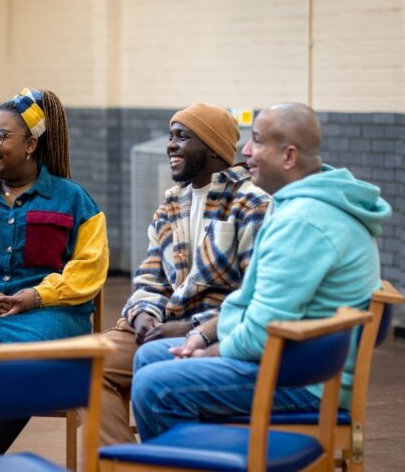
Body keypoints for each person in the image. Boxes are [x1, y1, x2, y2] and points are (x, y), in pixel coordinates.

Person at [131, 103, 391, 441]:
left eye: (257, 140)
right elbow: (251, 300)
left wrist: (207, 354)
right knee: (150, 355)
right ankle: (195, 453)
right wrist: (203, 334)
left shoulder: (303, 221)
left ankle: (201, 459)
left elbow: (260, 332)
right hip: (289, 356)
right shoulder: (293, 204)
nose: (246, 151)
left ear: (289, 156)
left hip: (309, 378)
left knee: (157, 386)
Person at [0, 88, 109, 457]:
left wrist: (38, 296)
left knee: (25, 369)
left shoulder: (74, 199)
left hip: (49, 314)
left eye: (0, 136)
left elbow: (90, 269)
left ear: (30, 144)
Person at [98, 103, 270, 444]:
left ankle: (164, 459)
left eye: (182, 137)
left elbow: (253, 295)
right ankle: (125, 462)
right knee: (85, 367)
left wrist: (190, 327)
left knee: (153, 374)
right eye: (171, 136)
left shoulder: (252, 203)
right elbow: (150, 277)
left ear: (214, 148)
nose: (171, 146)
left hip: (212, 335)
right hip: (157, 327)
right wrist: (144, 314)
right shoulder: (171, 204)